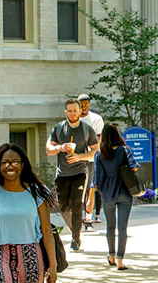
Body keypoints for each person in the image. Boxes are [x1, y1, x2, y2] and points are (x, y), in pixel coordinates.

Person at [0, 143, 58, 283]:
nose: (10, 167)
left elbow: (46, 230)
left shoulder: (37, 193)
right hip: (1, 256)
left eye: (15, 162)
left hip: (32, 257)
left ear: (22, 165)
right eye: (4, 163)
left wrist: (53, 266)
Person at [46, 98, 99, 251]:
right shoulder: (58, 128)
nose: (73, 113)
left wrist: (80, 156)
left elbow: (96, 151)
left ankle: (75, 238)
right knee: (63, 207)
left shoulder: (86, 129)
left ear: (80, 111)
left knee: (77, 205)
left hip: (80, 172)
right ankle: (74, 227)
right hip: (62, 174)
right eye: (69, 111)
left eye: (75, 110)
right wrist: (60, 147)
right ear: (65, 112)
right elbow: (49, 149)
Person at [92, 123, 139, 270]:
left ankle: (111, 255)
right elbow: (134, 166)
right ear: (117, 134)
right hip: (124, 192)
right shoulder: (124, 150)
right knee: (122, 228)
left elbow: (97, 179)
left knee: (110, 227)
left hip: (107, 195)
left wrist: (94, 195)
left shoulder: (99, 155)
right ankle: (120, 259)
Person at [78, 94, 105, 229]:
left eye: (86, 104)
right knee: (79, 189)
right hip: (77, 159)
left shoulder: (96, 119)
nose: (83, 107)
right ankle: (78, 218)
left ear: (89, 104)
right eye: (81, 105)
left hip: (92, 158)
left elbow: (99, 140)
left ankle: (88, 219)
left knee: (91, 189)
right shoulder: (73, 119)